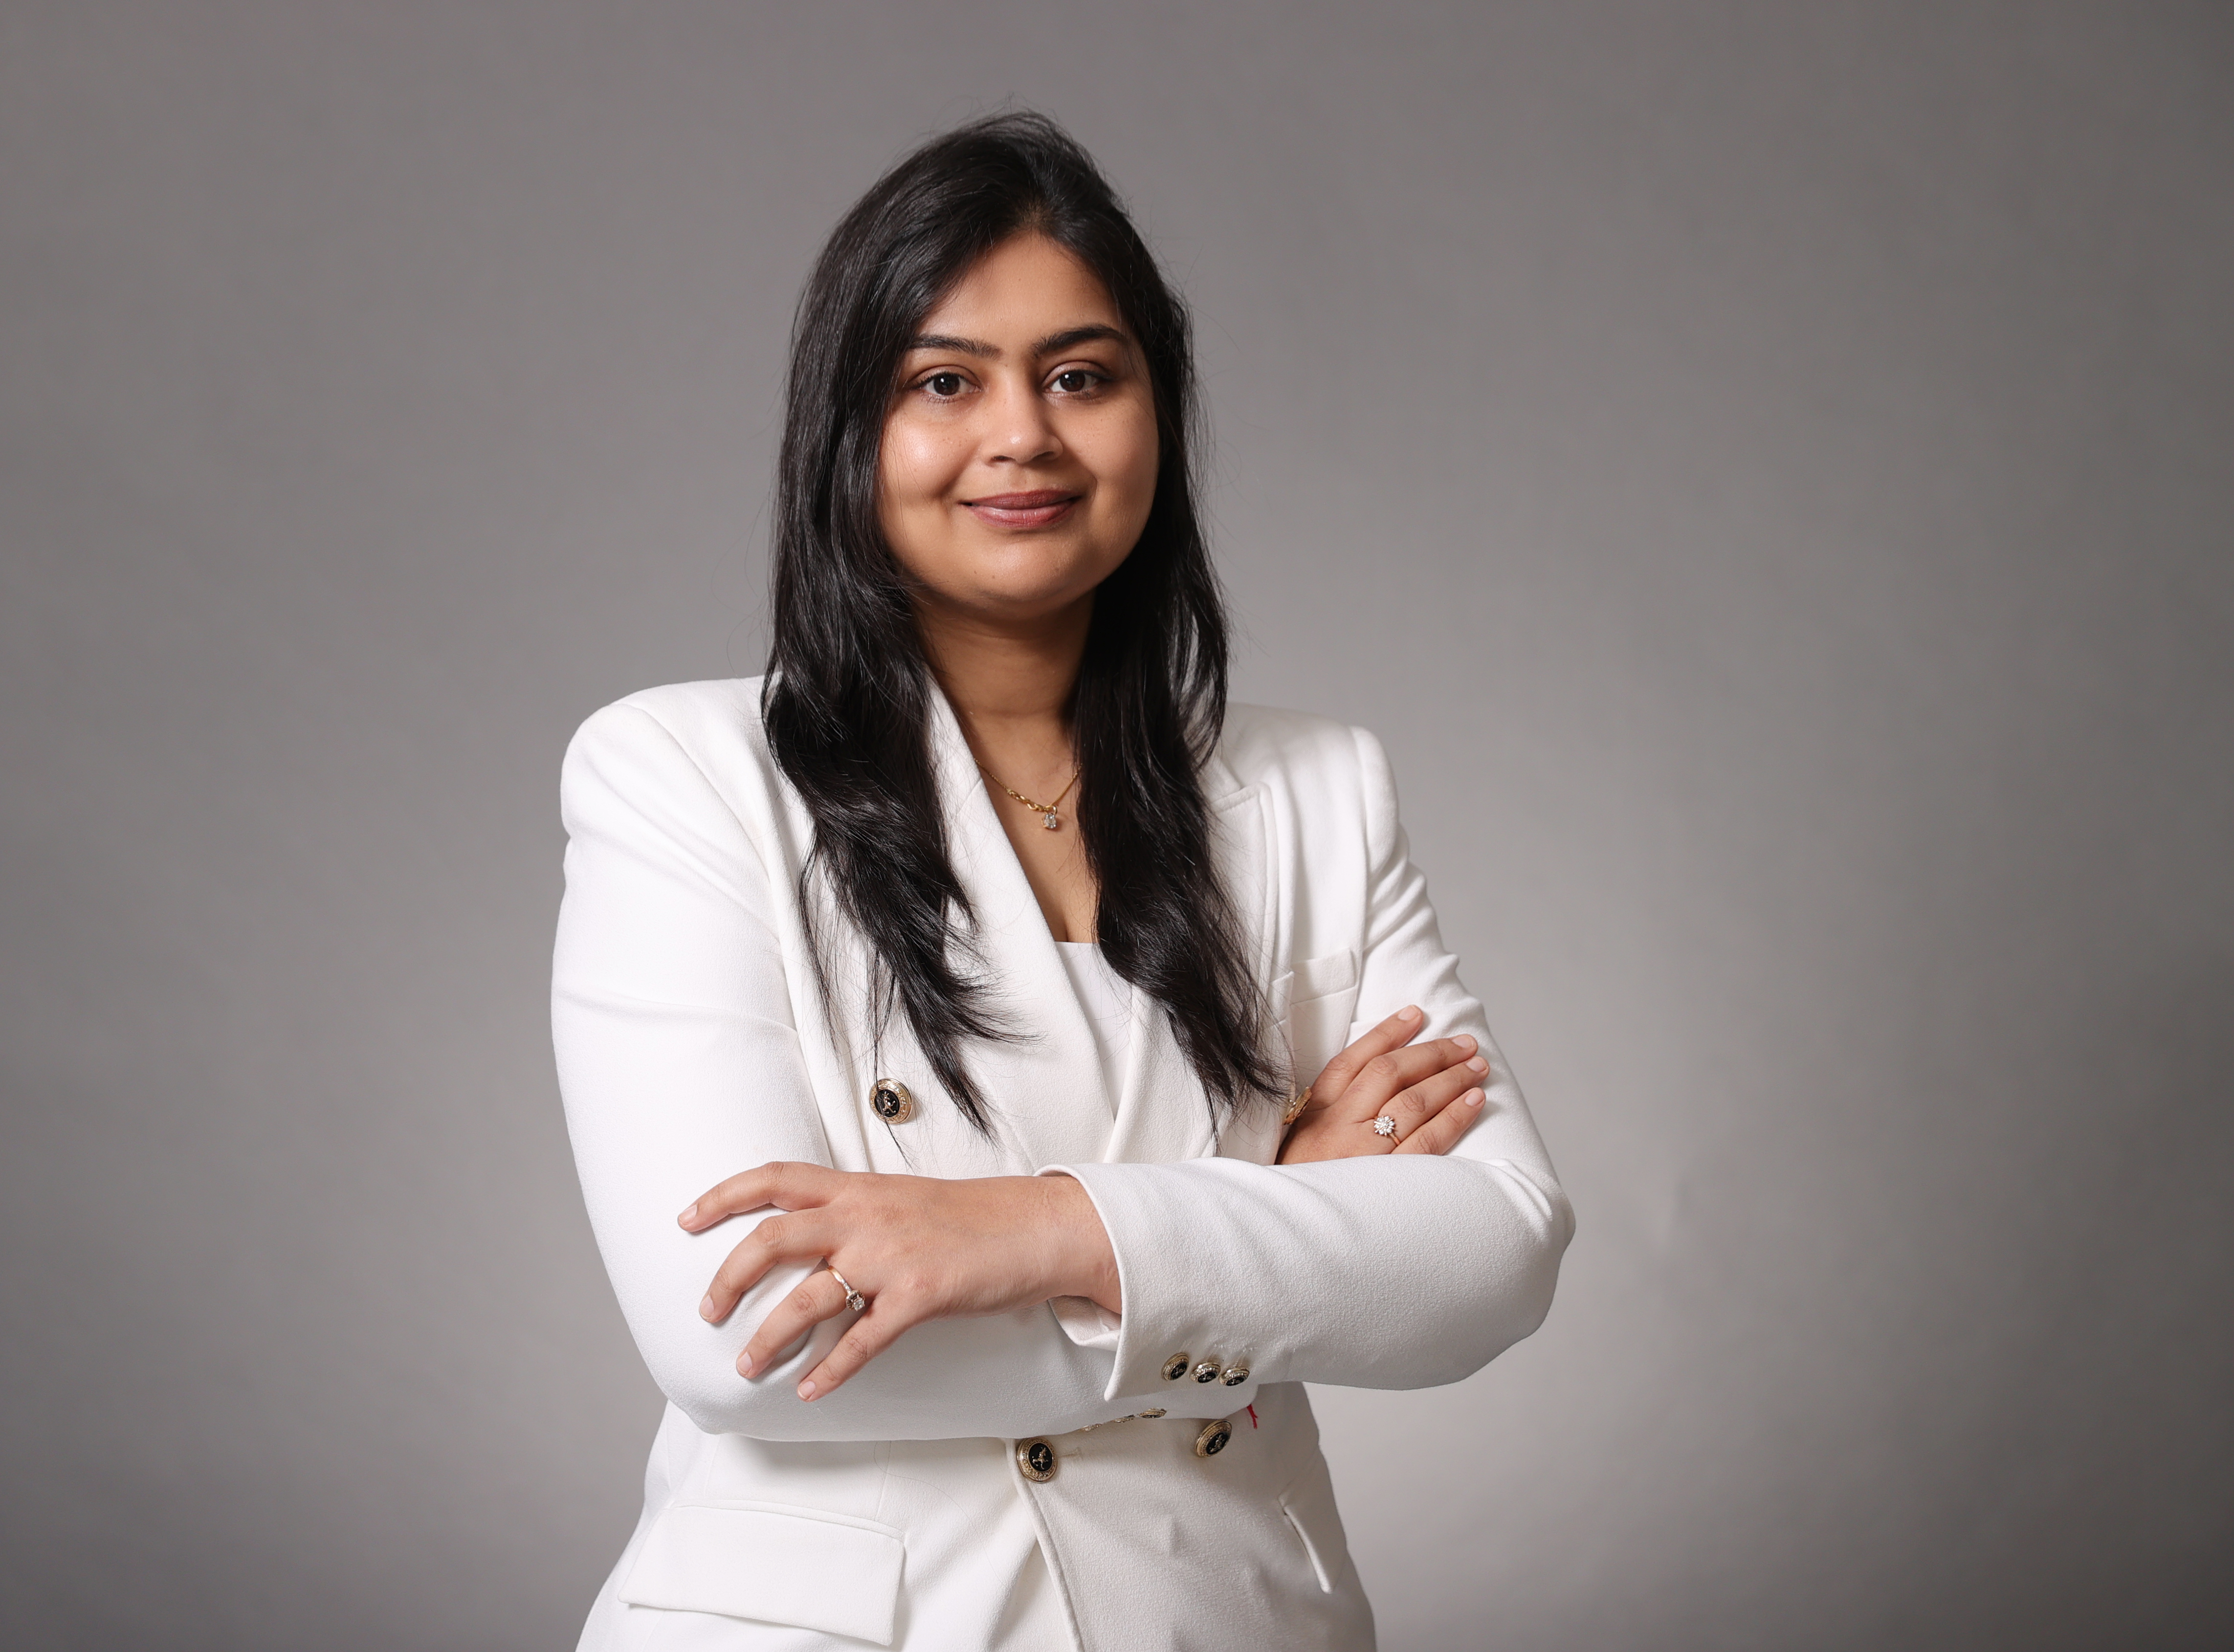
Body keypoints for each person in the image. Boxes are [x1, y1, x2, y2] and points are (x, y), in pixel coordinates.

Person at [553, 110, 1573, 1652]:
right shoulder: (683, 773)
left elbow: (1494, 1247)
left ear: (1157, 415)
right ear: (852, 433)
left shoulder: (1317, 788)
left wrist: (1034, 1233)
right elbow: (757, 1347)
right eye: (944, 381)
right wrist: (1274, 1230)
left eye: (1081, 375)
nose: (1022, 433)